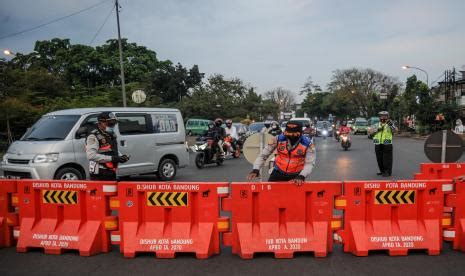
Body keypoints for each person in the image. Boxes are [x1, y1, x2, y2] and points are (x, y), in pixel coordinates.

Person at [247, 121, 316, 186]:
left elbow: (309, 163)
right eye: (289, 134)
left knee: (294, 197)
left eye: (294, 134)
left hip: (296, 175)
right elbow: (263, 155)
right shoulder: (278, 139)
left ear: (300, 133)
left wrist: (302, 175)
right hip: (278, 172)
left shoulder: (308, 144)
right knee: (269, 194)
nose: (291, 136)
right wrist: (256, 169)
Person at [86, 112, 129, 180]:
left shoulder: (110, 134)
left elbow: (111, 149)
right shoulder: (93, 136)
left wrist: (121, 157)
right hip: (99, 172)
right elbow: (91, 156)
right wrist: (112, 158)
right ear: (101, 122)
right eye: (110, 123)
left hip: (111, 170)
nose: (112, 125)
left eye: (114, 123)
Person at [373, 111, 397, 177]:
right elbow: (371, 131)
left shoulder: (390, 124)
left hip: (387, 143)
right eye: (381, 116)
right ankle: (382, 171)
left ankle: (387, 172)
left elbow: (396, 130)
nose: (383, 117)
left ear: (387, 116)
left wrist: (391, 125)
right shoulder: (377, 124)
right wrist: (377, 129)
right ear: (379, 117)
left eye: (385, 116)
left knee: (387, 159)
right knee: (379, 158)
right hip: (377, 143)